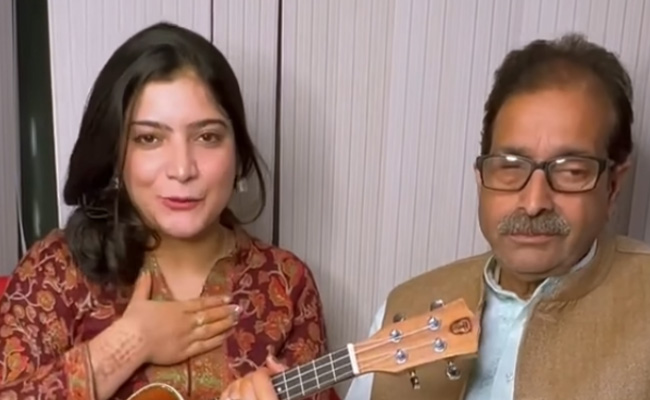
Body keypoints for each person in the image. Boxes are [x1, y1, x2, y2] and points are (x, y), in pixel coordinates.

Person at [219, 32, 650, 400]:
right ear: (481, 178)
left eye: (571, 171)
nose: (534, 201)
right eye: (509, 167)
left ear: (613, 186)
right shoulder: (404, 309)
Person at [0, 22, 336, 400]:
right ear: (116, 153)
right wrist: (128, 344)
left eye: (207, 136)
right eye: (149, 138)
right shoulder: (59, 269)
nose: (182, 169)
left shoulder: (286, 284)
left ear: (238, 152)